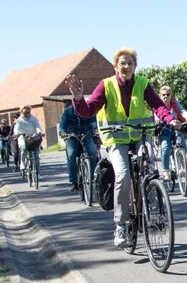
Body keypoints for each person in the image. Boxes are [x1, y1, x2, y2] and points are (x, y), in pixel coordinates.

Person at [66, 48, 175, 247]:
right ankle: (121, 224)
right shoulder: (106, 85)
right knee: (123, 174)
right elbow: (89, 110)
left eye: (130, 63)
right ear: (115, 66)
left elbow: (157, 104)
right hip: (115, 138)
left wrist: (169, 119)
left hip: (140, 135)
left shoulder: (142, 84)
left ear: (135, 66)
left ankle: (154, 209)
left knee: (151, 165)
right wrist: (79, 99)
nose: (126, 67)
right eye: (122, 63)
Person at [58, 100, 99, 191]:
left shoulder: (89, 109)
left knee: (93, 152)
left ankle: (93, 175)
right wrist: (62, 132)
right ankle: (73, 182)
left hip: (87, 135)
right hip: (72, 136)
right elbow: (62, 124)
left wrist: (96, 130)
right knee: (71, 155)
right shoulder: (68, 111)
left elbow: (94, 122)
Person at [155, 86, 187, 177]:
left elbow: (183, 111)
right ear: (160, 96)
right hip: (164, 131)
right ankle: (166, 171)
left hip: (176, 129)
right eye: (163, 95)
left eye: (168, 94)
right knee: (165, 147)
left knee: (183, 147)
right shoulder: (158, 105)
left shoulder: (175, 104)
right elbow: (156, 116)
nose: (166, 97)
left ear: (171, 95)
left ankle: (181, 166)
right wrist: (158, 122)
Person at [13, 105, 44, 174]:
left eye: (28, 112)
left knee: (36, 157)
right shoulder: (19, 120)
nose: (27, 114)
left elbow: (37, 126)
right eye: (25, 112)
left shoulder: (33, 119)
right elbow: (16, 129)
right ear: (21, 112)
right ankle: (23, 162)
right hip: (23, 136)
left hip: (33, 137)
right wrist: (19, 134)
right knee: (24, 148)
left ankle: (37, 174)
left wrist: (39, 132)